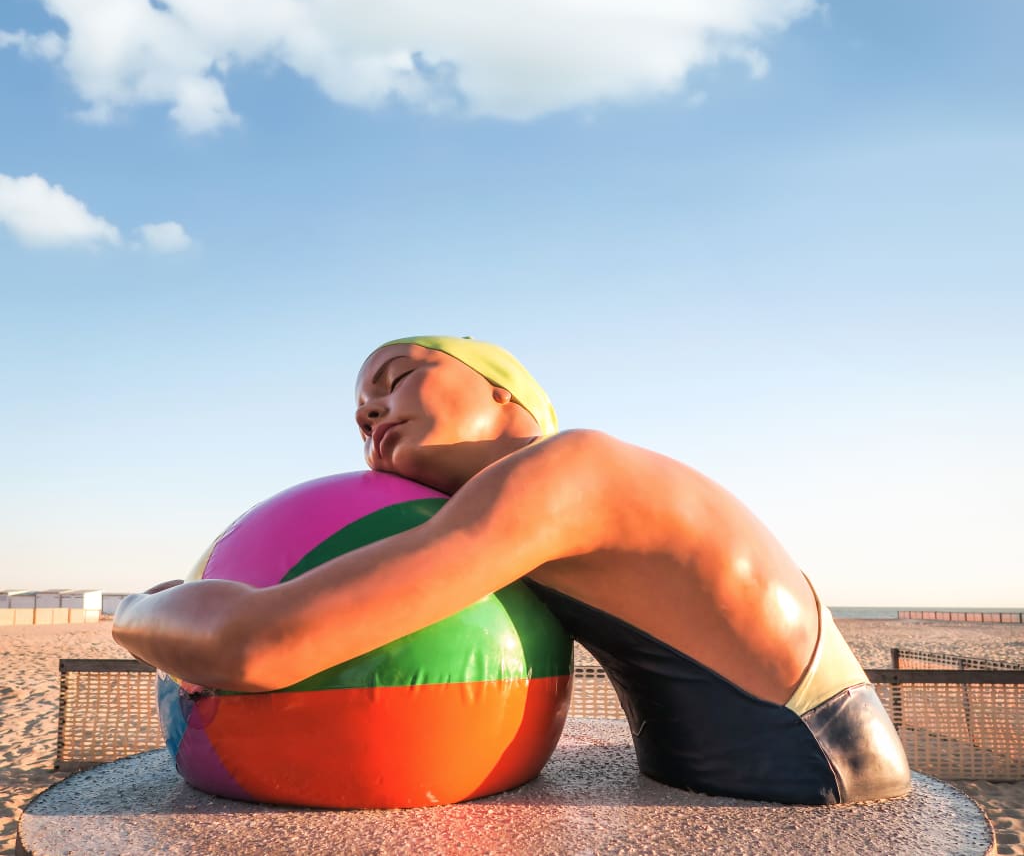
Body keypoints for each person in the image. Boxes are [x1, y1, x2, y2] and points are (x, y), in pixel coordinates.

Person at [114, 334, 911, 805]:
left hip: (804, 767)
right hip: (743, 761)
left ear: (508, 398)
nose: (369, 413)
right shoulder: (562, 495)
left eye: (397, 378)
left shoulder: (565, 473)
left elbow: (260, 649)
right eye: (362, 413)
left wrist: (146, 606)